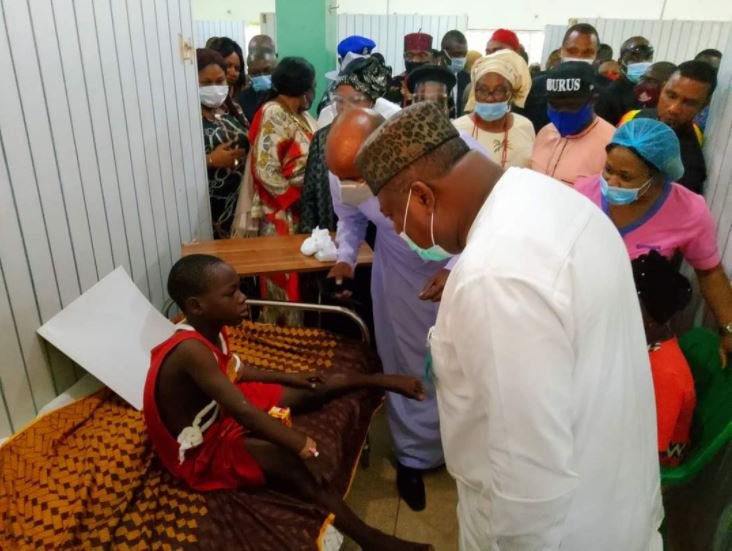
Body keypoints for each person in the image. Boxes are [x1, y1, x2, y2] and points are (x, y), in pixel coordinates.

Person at [355, 100, 662, 550]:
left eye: (393, 217)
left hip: (556, 533)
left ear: (422, 196)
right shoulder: (554, 201)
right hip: (611, 501)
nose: (403, 235)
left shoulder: (496, 277)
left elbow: (528, 474)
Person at [144, 254, 433, 551]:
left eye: (239, 288)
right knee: (288, 460)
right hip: (202, 450)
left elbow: (236, 369)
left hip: (218, 407)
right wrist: (302, 445)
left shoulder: (210, 330)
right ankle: (372, 540)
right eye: (231, 293)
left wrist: (291, 377)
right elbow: (243, 411)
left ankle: (378, 380)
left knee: (311, 388)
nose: (243, 298)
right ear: (196, 306)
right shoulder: (190, 350)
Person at [324, 108, 479, 512]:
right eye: (344, 177)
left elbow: (486, 217)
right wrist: (345, 256)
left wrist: (452, 268)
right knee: (408, 364)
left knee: (464, 364)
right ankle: (414, 456)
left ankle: (462, 452)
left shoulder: (449, 153)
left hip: (463, 265)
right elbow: (350, 217)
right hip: (399, 273)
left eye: (360, 175)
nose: (353, 183)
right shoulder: (341, 169)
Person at [575, 118, 732, 363]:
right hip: (580, 315)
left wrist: (728, 327)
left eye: (626, 177)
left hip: (637, 330)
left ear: (657, 177)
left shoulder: (688, 211)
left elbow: (710, 272)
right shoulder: (583, 194)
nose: (612, 182)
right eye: (609, 170)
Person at [249, 57, 317, 324]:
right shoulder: (273, 113)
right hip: (280, 213)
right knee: (282, 285)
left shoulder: (297, 114)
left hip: (297, 210)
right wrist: (295, 200)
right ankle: (281, 347)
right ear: (304, 89)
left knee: (297, 284)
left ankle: (297, 342)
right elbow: (265, 168)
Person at [299, 57, 396, 233]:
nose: (345, 108)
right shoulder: (322, 138)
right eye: (339, 101)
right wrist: (308, 234)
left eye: (355, 100)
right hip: (329, 229)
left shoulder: (384, 140)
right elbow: (310, 194)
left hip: (374, 231)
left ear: (372, 102)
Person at [632, 251, 696, 467]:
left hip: (652, 465)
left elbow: (650, 455)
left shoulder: (664, 374)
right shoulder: (656, 343)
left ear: (650, 318)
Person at [619, 61, 716, 194]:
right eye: (671, 95)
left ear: (704, 105)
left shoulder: (689, 168)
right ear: (663, 88)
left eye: (689, 103)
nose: (674, 109)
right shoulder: (633, 118)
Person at [531, 61, 615, 185]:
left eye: (571, 105)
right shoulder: (545, 133)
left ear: (593, 99)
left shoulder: (611, 145)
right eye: (555, 105)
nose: (561, 112)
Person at [197, 49, 249, 238]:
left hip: (239, 201)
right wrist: (211, 160)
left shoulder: (234, 109)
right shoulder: (185, 117)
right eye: (206, 83)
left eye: (219, 81)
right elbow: (173, 166)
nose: (214, 87)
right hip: (205, 209)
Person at [454, 50, 535, 168]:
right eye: (482, 90)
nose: (489, 98)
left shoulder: (524, 126)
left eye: (498, 91)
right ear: (474, 92)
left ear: (510, 93)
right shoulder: (458, 129)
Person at [519, 23, 600, 131]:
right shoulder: (534, 87)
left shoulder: (604, 91)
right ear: (561, 52)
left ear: (596, 56)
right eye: (572, 51)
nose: (579, 57)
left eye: (587, 53)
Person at [596, 36, 655, 125]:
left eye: (647, 58)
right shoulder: (609, 95)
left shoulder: (654, 90)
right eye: (634, 59)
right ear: (620, 62)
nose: (641, 63)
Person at [384, 32, 433, 106]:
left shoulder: (439, 84)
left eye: (422, 56)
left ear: (431, 57)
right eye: (410, 56)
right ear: (404, 57)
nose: (415, 60)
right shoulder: (395, 83)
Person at [236, 48, 277, 124]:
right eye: (255, 73)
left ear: (276, 68)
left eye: (267, 71)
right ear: (249, 73)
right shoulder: (240, 102)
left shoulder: (286, 96)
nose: (262, 76)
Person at [208, 37, 247, 104]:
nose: (233, 73)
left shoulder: (243, 96)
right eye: (228, 66)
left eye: (237, 68)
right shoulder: (205, 96)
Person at [441, 30, 471, 117]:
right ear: (444, 53)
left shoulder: (469, 79)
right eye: (457, 54)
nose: (461, 58)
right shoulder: (433, 79)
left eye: (464, 54)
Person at [693, 48, 722, 131]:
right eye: (702, 70)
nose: (707, 75)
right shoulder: (677, 97)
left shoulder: (722, 108)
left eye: (714, 71)